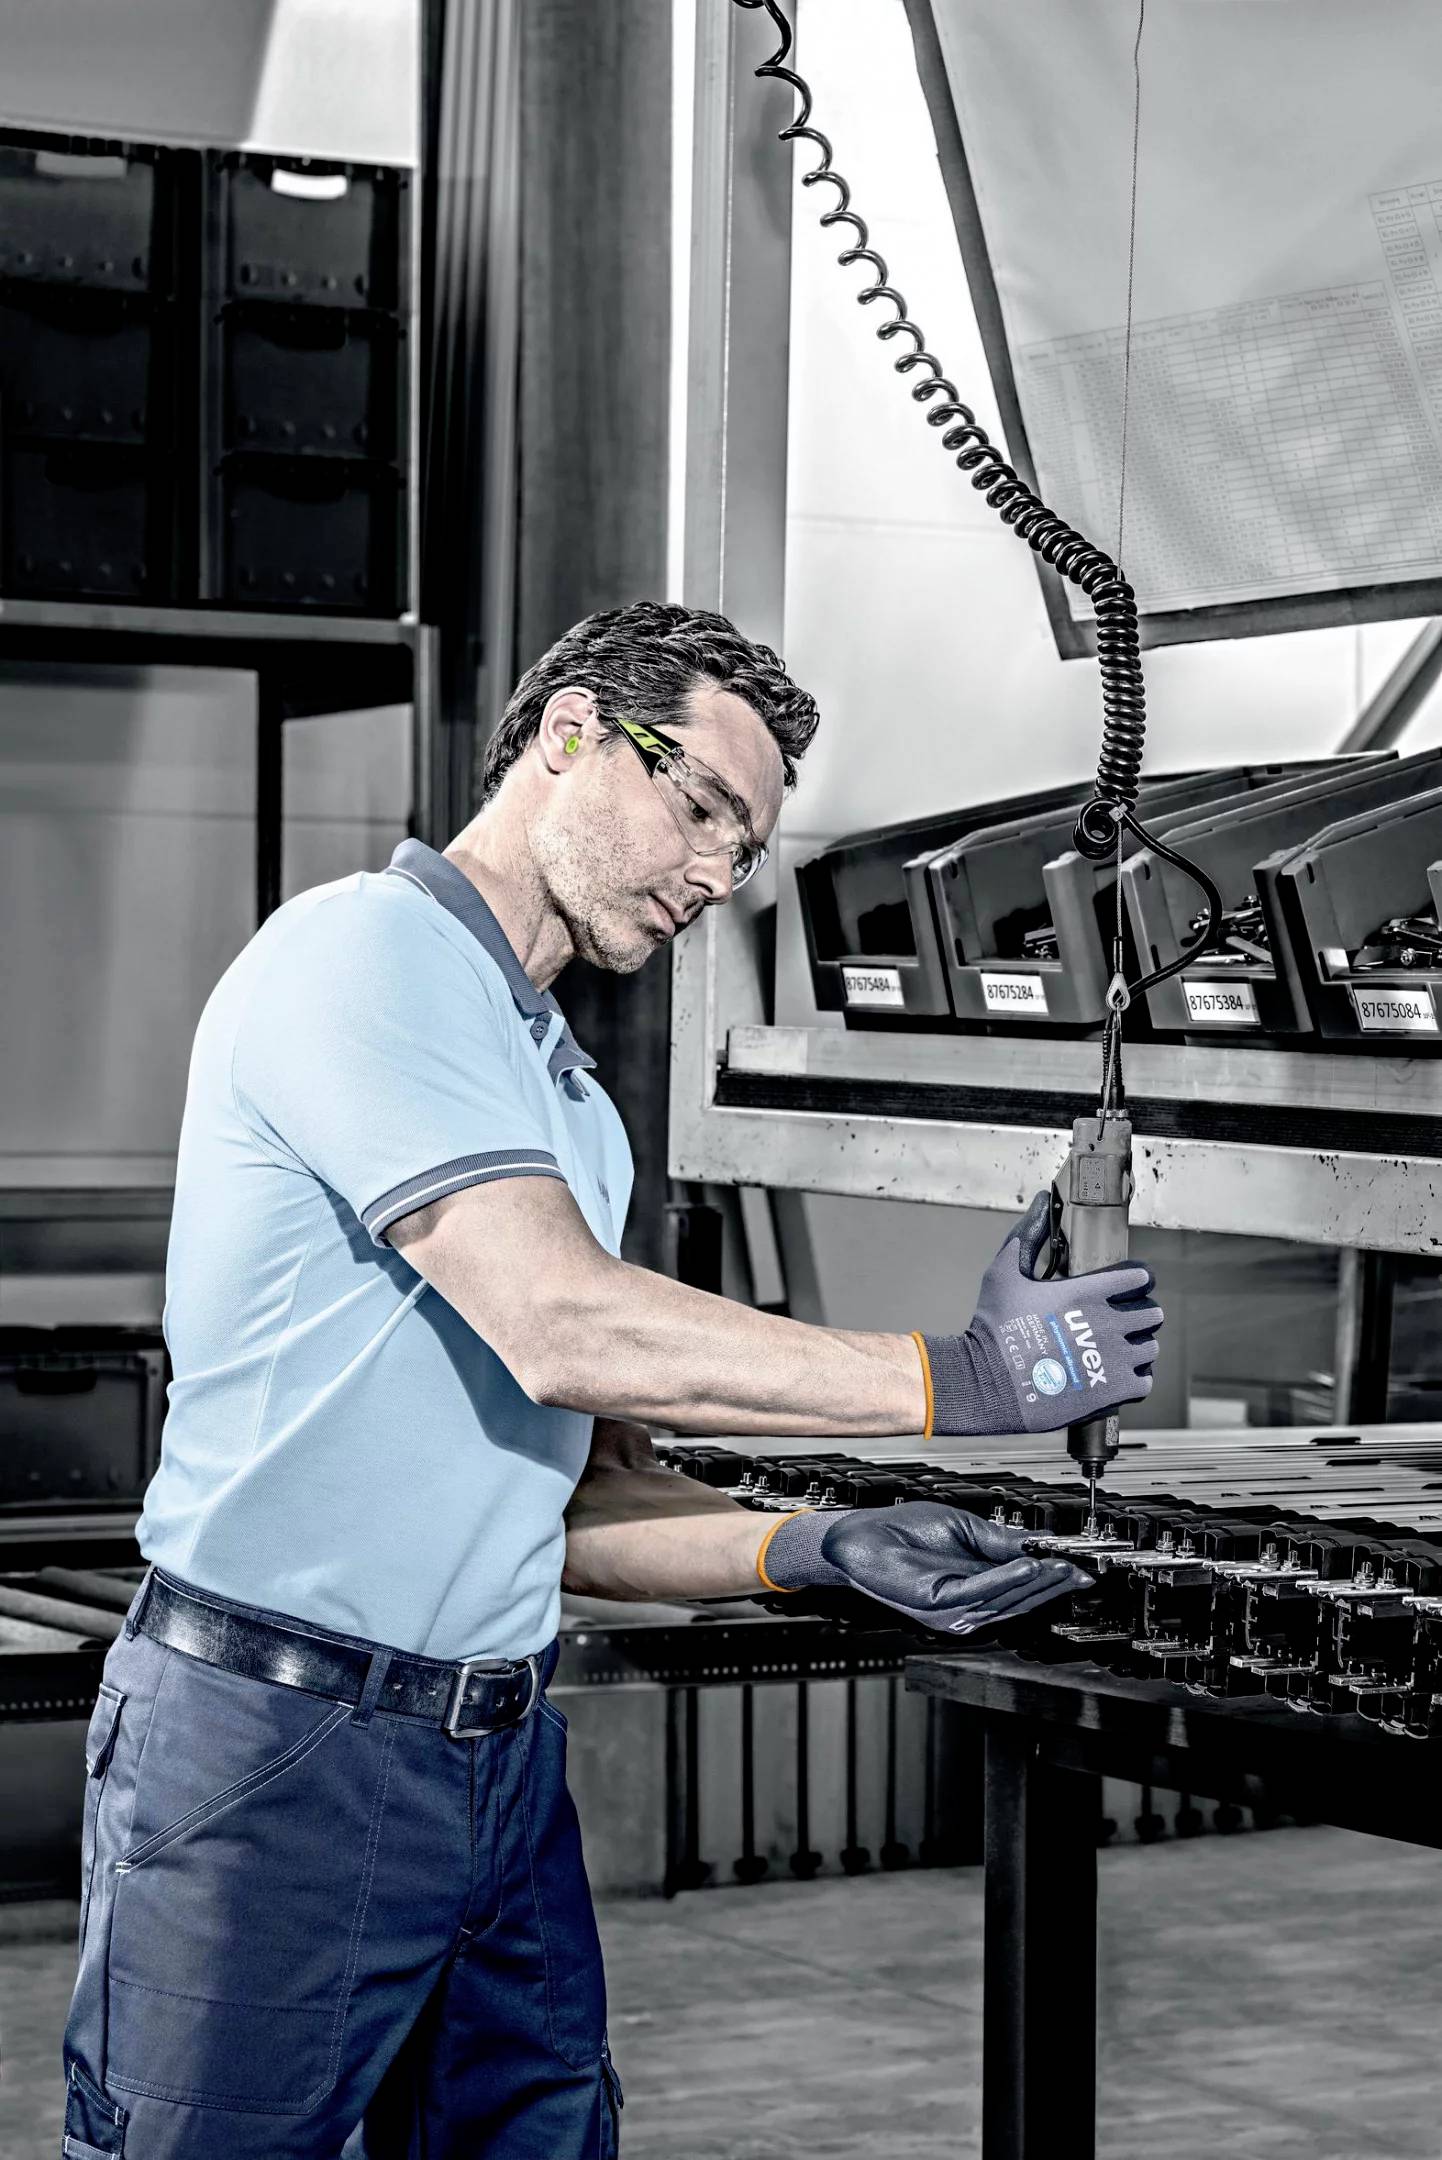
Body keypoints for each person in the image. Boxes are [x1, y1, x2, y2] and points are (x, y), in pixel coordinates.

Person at [62, 600, 1162, 2158]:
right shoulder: (362, 955)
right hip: (278, 1751)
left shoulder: (566, 1098)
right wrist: (970, 1377)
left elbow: (568, 1508)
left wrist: (811, 1544)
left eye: (744, 851)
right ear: (572, 731)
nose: (714, 874)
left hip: (493, 1762)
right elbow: (561, 1324)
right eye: (701, 808)